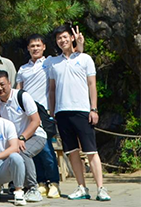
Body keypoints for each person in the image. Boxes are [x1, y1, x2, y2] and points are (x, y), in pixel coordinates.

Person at [48, 25, 110, 201]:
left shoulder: (85, 58)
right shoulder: (53, 63)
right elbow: (52, 89)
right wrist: (52, 112)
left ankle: (101, 188)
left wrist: (93, 108)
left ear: (72, 38)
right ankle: (81, 187)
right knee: (72, 152)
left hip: (82, 111)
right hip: (62, 112)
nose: (62, 40)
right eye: (59, 38)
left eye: (65, 37)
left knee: (91, 151)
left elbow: (92, 84)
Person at [16, 34, 60, 198]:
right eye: (32, 46)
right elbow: (18, 90)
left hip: (44, 112)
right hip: (28, 114)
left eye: (38, 45)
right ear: (28, 48)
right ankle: (41, 182)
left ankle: (54, 182)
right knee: (32, 150)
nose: (35, 48)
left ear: (44, 47)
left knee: (47, 150)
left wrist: (52, 111)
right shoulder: (23, 69)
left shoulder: (50, 63)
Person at [0, 70, 46, 203]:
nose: (0, 88)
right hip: (14, 141)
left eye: (2, 84)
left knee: (22, 152)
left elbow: (36, 121)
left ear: (9, 83)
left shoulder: (22, 96)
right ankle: (8, 184)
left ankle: (33, 188)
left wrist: (22, 138)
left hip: (35, 135)